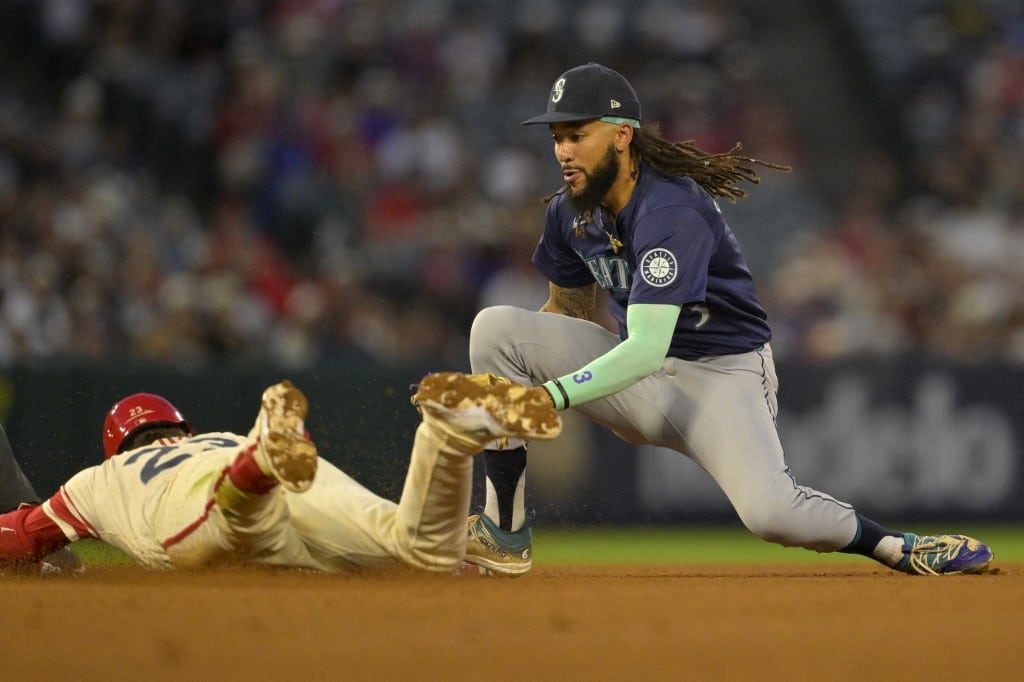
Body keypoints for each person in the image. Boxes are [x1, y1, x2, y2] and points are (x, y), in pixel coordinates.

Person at [462, 62, 994, 577]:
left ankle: (895, 545)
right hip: (638, 381)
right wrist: (503, 398)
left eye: (576, 134)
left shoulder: (671, 209)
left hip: (721, 379)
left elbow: (647, 348)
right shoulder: (570, 210)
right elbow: (565, 313)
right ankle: (504, 532)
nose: (563, 151)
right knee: (496, 331)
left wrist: (547, 398)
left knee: (771, 513)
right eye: (557, 137)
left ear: (623, 136)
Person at [0, 373, 561, 573]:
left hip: (200, 499)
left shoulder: (100, 479)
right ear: (179, 428)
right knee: (421, 551)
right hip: (279, 470)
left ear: (114, 447)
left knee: (223, 524)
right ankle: (445, 434)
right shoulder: (207, 438)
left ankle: (264, 457)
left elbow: (19, 538)